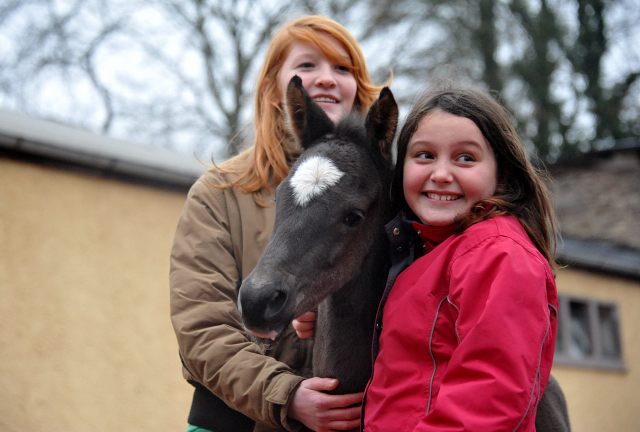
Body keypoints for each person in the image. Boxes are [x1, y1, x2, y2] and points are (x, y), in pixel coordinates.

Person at [170, 15, 387, 432]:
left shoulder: (381, 193)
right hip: (237, 421)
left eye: (342, 68)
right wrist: (285, 395)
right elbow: (202, 328)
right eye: (307, 66)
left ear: (359, 88)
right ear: (273, 87)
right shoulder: (219, 193)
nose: (326, 78)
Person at [360, 83, 560, 431]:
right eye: (424, 155)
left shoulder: (498, 253)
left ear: (502, 176)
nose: (440, 174)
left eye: (465, 158)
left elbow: (491, 394)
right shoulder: (418, 255)